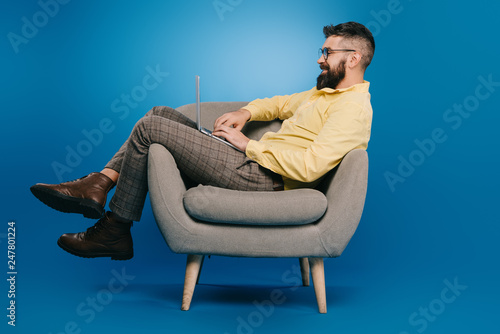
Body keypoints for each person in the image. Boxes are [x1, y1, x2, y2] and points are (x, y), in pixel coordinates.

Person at [30, 22, 375, 261]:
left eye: (327, 52)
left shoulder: (352, 109)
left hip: (266, 178)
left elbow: (311, 165)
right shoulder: (325, 93)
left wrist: (246, 145)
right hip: (255, 164)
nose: (319, 58)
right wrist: (246, 113)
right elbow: (280, 103)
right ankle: (100, 190)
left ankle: (110, 217)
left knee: (151, 128)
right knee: (160, 111)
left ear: (354, 58)